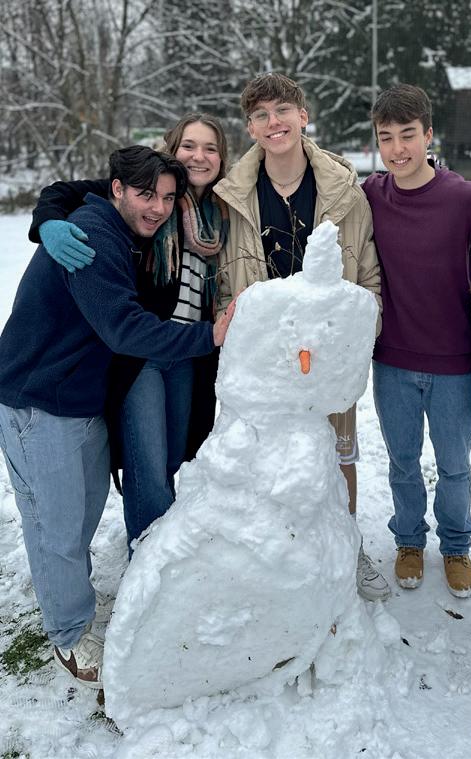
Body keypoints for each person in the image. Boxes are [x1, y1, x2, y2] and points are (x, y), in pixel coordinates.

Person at [0, 145, 235, 689]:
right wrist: (211, 336)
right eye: (146, 194)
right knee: (56, 525)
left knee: (80, 516)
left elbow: (74, 190)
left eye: (167, 198)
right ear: (118, 190)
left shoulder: (122, 225)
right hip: (38, 400)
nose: (157, 207)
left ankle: (69, 596)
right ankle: (68, 630)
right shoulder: (94, 236)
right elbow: (123, 328)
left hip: (79, 397)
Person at [213, 72, 389, 602]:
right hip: (263, 358)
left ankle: (347, 549)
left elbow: (369, 277)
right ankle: (275, 557)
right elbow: (223, 282)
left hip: (326, 356)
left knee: (338, 454)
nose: (274, 123)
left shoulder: (344, 192)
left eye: (283, 111)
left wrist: (355, 337)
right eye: (261, 115)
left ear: (303, 116)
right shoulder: (231, 196)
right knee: (263, 458)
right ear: (250, 128)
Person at [28, 114, 229, 553]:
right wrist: (47, 223)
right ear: (172, 149)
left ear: (222, 157)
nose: (199, 156)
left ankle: (161, 540)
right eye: (189, 145)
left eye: (210, 148)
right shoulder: (147, 193)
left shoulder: (225, 207)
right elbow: (63, 193)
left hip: (190, 351)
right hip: (142, 352)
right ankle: (150, 561)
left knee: (175, 453)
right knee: (147, 460)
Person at [362, 84, 471, 598]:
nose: (398, 149)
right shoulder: (371, 196)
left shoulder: (464, 198)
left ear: (428, 135)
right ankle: (409, 540)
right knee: (403, 462)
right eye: (386, 137)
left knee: (454, 466)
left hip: (455, 361)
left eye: (408, 135)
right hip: (392, 359)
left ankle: (456, 546)